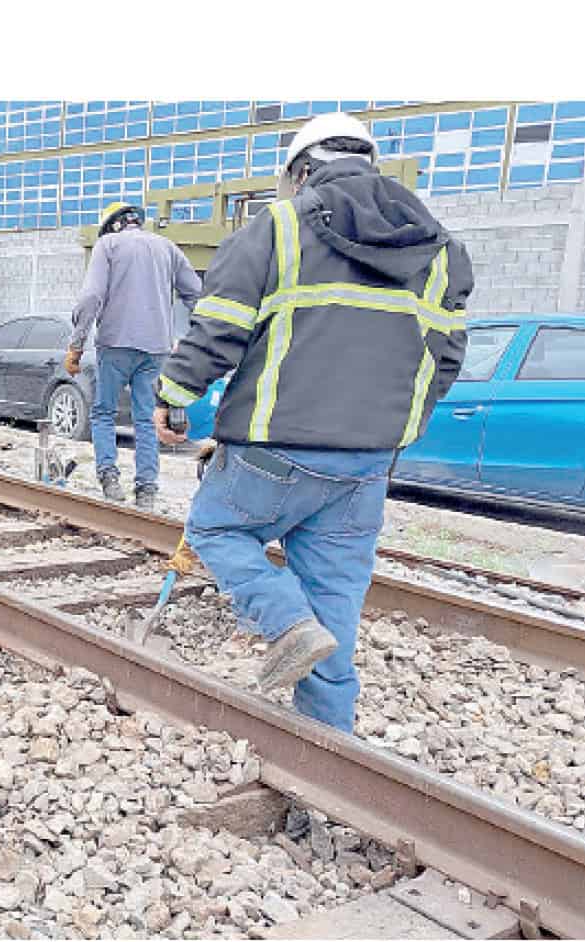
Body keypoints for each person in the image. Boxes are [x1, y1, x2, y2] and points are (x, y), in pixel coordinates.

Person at [153, 112, 473, 733]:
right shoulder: (436, 246)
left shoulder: (277, 227)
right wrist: (398, 425)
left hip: (275, 448)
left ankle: (285, 624)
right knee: (335, 610)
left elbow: (218, 327)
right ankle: (331, 766)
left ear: (301, 172)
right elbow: (448, 355)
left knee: (217, 530)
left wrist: (172, 396)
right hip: (367, 463)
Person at [67, 201, 201, 510]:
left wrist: (76, 345)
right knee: (146, 418)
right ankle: (147, 490)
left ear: (112, 225)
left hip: (115, 344)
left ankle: (109, 477)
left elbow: (91, 297)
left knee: (103, 412)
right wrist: (196, 339)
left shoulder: (107, 245)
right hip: (157, 349)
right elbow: (196, 294)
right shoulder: (168, 248)